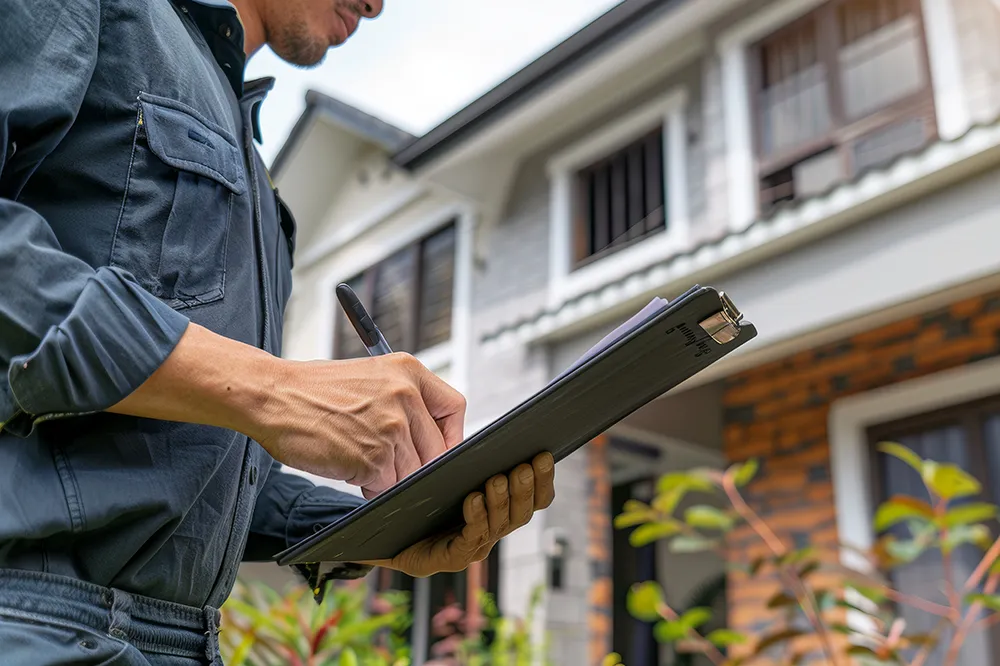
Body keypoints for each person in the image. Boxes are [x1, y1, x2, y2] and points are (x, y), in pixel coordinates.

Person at [0, 0, 556, 663]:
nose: (380, 6)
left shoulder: (263, 192)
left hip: (184, 639)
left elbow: (201, 460)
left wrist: (385, 528)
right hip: (30, 617)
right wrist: (275, 392)